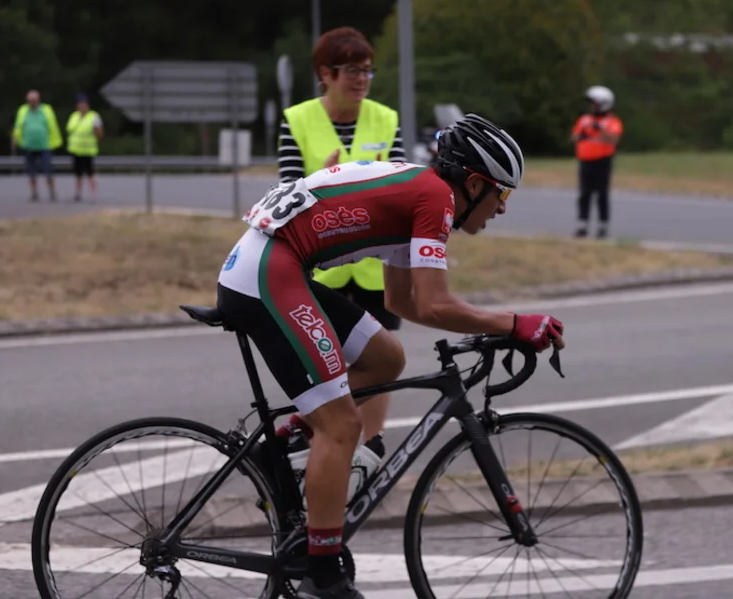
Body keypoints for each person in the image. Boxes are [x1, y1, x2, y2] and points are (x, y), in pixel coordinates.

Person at [216, 113, 565, 599]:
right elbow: (436, 304)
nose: (502, 208)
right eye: (501, 194)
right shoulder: (436, 198)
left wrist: (497, 325)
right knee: (342, 426)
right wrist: (514, 323)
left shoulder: (421, 192)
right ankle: (323, 576)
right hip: (268, 273)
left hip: (270, 264)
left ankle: (290, 438)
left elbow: (404, 303)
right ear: (474, 184)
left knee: (384, 357)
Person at [277, 27, 406, 336]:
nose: (362, 79)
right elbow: (285, 197)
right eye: (352, 71)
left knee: (384, 359)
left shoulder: (387, 119)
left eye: (367, 70)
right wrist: (320, 182)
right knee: (327, 357)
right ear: (326, 73)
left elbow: (403, 192)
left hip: (376, 268)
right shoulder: (297, 120)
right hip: (321, 269)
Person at [572, 85, 624, 239]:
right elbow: (574, 137)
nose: (592, 106)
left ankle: (603, 226)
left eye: (594, 103)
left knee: (602, 194)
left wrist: (599, 129)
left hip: (602, 161)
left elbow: (614, 139)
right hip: (585, 161)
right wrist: (581, 136)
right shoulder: (584, 119)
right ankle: (582, 225)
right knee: (584, 194)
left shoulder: (612, 121)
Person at [11, 89, 62, 202]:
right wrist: (15, 137)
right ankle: (34, 192)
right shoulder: (23, 111)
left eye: (35, 100)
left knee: (48, 169)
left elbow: (53, 125)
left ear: (38, 100)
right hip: (28, 145)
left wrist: (55, 141)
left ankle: (52, 191)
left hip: (45, 145)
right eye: (31, 100)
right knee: (31, 171)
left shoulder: (46, 110)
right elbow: (18, 125)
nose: (33, 102)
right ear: (27, 101)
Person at [66, 93, 104, 202]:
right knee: (77, 173)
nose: (82, 106)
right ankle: (78, 193)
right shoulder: (74, 116)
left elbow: (99, 132)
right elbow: (70, 130)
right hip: (76, 149)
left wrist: (98, 141)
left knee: (90, 173)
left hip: (88, 150)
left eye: (84, 104)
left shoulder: (94, 116)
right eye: (80, 104)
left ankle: (93, 194)